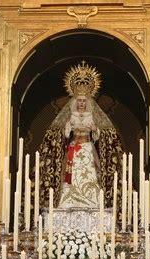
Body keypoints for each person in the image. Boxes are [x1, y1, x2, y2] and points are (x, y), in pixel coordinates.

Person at [39, 60, 123, 210]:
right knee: (71, 175)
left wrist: (95, 130)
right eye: (79, 101)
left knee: (89, 174)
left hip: (87, 148)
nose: (82, 103)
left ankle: (91, 202)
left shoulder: (92, 116)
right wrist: (66, 130)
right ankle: (69, 202)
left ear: (88, 101)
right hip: (74, 149)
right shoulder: (71, 116)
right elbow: (63, 137)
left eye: (84, 101)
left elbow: (99, 138)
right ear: (75, 101)